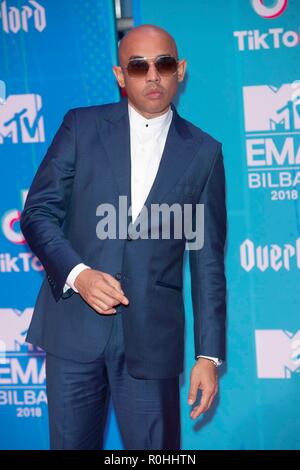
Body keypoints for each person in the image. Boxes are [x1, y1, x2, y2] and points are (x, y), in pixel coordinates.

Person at [20, 24, 227, 450]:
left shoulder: (205, 151)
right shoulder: (81, 126)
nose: (153, 75)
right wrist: (78, 274)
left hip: (154, 340)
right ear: (120, 75)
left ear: (180, 70)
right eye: (138, 66)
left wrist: (208, 356)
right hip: (73, 328)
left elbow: (207, 261)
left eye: (163, 64)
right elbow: (38, 213)